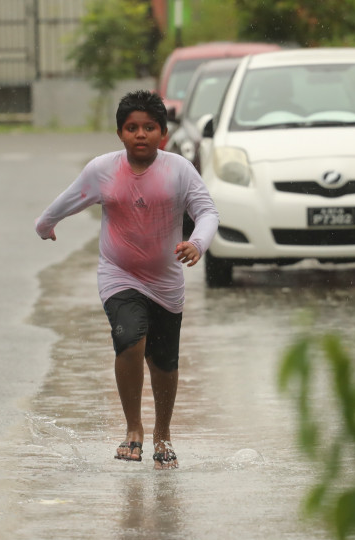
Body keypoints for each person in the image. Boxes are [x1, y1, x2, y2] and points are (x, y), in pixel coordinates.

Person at [35, 90, 219, 470]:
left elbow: (207, 212)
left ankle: (162, 434)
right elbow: (71, 198)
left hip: (166, 282)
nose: (140, 135)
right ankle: (133, 428)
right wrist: (46, 223)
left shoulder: (179, 170)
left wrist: (198, 243)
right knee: (129, 340)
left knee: (165, 363)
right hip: (119, 275)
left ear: (162, 134)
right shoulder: (103, 169)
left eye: (149, 128)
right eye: (131, 128)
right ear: (120, 133)